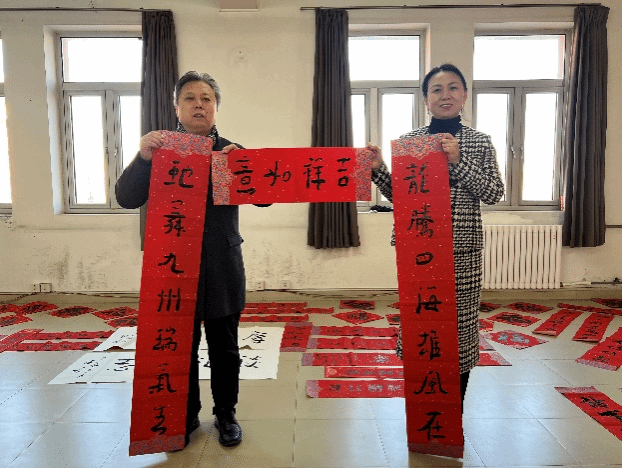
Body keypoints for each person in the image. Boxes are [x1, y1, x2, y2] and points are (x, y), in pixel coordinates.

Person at [116, 71, 262, 448]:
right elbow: (127, 198)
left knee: (225, 348)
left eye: (206, 98)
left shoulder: (231, 151)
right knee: (180, 346)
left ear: (216, 107)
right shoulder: (161, 152)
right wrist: (143, 158)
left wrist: (245, 166)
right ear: (176, 107)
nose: (199, 105)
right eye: (190, 98)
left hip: (222, 266)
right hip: (174, 268)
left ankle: (226, 413)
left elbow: (264, 198)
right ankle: (185, 414)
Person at [367, 63, 505, 406]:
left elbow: (493, 193)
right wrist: (378, 170)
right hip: (419, 251)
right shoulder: (410, 142)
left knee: (459, 332)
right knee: (421, 327)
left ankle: (451, 414)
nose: (446, 95)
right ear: (425, 99)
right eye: (437, 89)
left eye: (453, 87)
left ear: (465, 95)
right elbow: (401, 197)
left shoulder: (479, 142)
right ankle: (425, 411)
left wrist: (459, 160)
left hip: (461, 254)